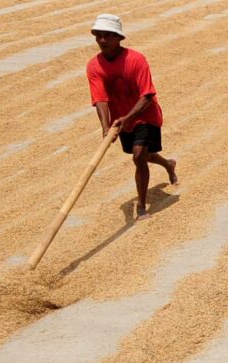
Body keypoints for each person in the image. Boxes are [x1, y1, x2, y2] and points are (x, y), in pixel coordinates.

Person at [86, 13, 177, 220]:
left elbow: (147, 95)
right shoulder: (94, 66)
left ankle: (142, 207)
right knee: (143, 155)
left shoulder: (136, 60)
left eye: (107, 36)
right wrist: (105, 127)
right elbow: (100, 98)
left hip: (146, 114)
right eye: (98, 36)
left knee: (138, 156)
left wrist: (127, 118)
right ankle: (168, 164)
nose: (102, 40)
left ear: (119, 38)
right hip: (121, 120)